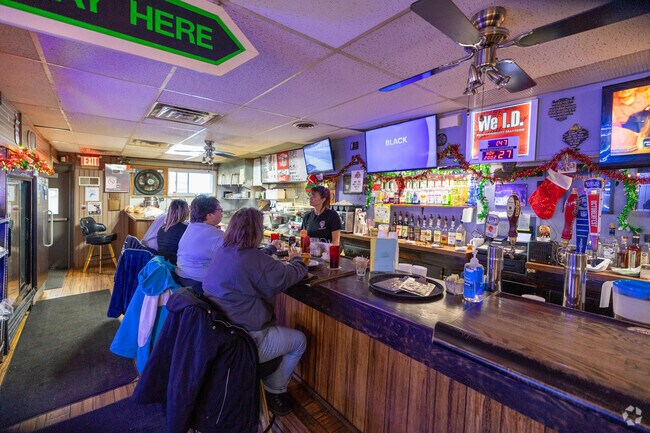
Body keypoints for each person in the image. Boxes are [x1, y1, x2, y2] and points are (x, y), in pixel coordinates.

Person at [202, 208, 308, 416]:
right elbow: (287, 276)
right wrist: (298, 260)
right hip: (246, 343)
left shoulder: (225, 250)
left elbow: (251, 261)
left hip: (221, 336)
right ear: (256, 230)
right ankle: (274, 389)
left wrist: (268, 250)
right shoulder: (251, 259)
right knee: (299, 341)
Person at [174, 195, 224, 293]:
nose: (222, 213)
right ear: (209, 215)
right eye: (220, 210)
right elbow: (232, 259)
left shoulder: (191, 226)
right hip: (198, 284)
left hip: (181, 277)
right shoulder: (216, 235)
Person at [156, 199, 189, 265]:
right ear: (185, 212)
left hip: (162, 266)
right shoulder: (184, 229)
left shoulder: (162, 229)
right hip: (175, 267)